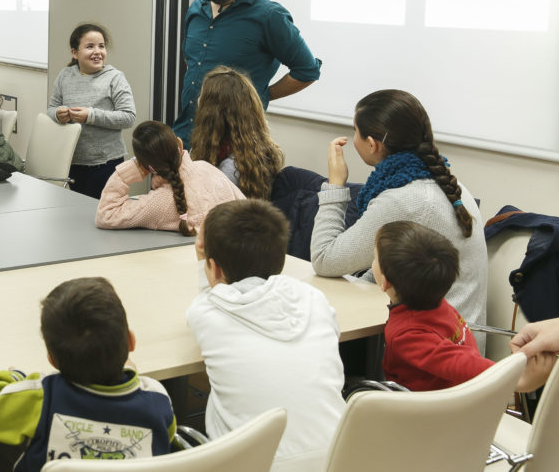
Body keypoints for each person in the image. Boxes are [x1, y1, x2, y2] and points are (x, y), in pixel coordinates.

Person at [311, 89, 488, 344]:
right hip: (458, 345)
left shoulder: (404, 200)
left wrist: (336, 184)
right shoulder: (446, 183)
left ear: (372, 144)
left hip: (431, 357)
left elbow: (324, 259)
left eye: (355, 131)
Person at [0, 277, 176, 469]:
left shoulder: (41, 397)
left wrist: (17, 378)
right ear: (131, 341)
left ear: (51, 360)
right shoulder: (157, 399)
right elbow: (168, 436)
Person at [185, 199, 344, 459]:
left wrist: (202, 256)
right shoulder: (316, 300)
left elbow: (213, 293)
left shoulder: (205, 313)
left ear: (213, 268)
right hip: (338, 459)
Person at [373, 221, 554, 392]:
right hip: (458, 399)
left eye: (374, 258)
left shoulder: (408, 335)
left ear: (385, 282)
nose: (373, 262)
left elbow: (463, 363)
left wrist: (518, 380)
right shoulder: (434, 301)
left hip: (427, 411)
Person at [171, 0, 321, 140]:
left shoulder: (268, 16)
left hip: (234, 144)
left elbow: (307, 70)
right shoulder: (196, 9)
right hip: (187, 134)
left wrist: (260, 96)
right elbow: (191, 60)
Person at [97, 120, 244, 234]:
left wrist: (126, 174)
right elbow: (246, 206)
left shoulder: (160, 202)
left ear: (147, 167)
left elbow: (106, 215)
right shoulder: (207, 168)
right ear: (179, 144)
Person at [48, 23, 136, 198]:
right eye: (90, 46)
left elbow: (129, 117)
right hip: (72, 160)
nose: (97, 51)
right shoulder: (65, 75)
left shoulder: (115, 77)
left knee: (100, 214)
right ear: (75, 52)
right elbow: (51, 108)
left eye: (101, 46)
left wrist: (91, 115)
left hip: (106, 163)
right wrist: (58, 114)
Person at [188, 65, 284, 199]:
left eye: (202, 97)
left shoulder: (229, 168)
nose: (198, 102)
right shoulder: (251, 150)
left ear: (213, 113)